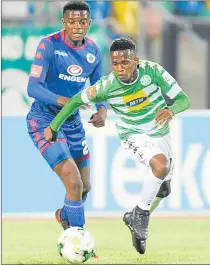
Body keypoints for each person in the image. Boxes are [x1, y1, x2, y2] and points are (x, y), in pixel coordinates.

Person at [44, 37, 191, 254]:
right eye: (115, 64)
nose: (120, 69)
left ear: (136, 61)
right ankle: (140, 215)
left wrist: (171, 110)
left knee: (164, 189)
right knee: (160, 167)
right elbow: (76, 100)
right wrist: (54, 126)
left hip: (160, 131)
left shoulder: (153, 71)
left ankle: (135, 216)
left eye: (125, 63)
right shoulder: (107, 85)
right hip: (133, 133)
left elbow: (183, 99)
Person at [26, 0, 107, 236]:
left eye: (82, 21)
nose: (77, 26)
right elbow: (33, 87)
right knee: (73, 180)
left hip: (72, 122)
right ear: (64, 22)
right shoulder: (48, 45)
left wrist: (102, 110)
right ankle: (77, 239)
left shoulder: (93, 51)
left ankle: (65, 215)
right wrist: (67, 101)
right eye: (71, 21)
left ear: (89, 23)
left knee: (85, 186)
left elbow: (100, 88)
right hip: (43, 120)